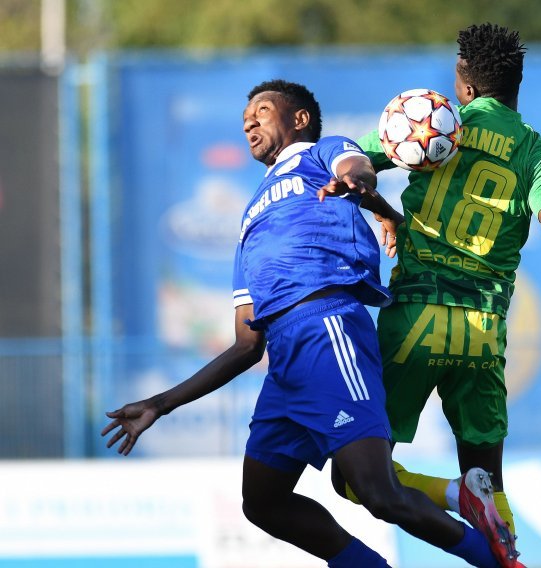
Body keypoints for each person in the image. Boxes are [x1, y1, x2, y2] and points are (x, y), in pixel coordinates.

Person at [101, 79, 519, 568]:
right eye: (244, 119)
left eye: (260, 110)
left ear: (298, 118)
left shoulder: (318, 153)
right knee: (263, 503)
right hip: (285, 364)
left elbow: (354, 167)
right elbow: (243, 345)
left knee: (375, 492)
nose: (248, 122)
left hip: (328, 330)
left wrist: (365, 186)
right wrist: (160, 403)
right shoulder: (250, 217)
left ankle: (494, 561)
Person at [326, 22, 541, 565]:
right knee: (491, 481)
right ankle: (504, 551)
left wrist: (370, 192)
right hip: (482, 332)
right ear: (518, 83)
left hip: (414, 319)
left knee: (353, 479)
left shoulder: (435, 126)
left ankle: (454, 498)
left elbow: (355, 161)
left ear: (463, 83)